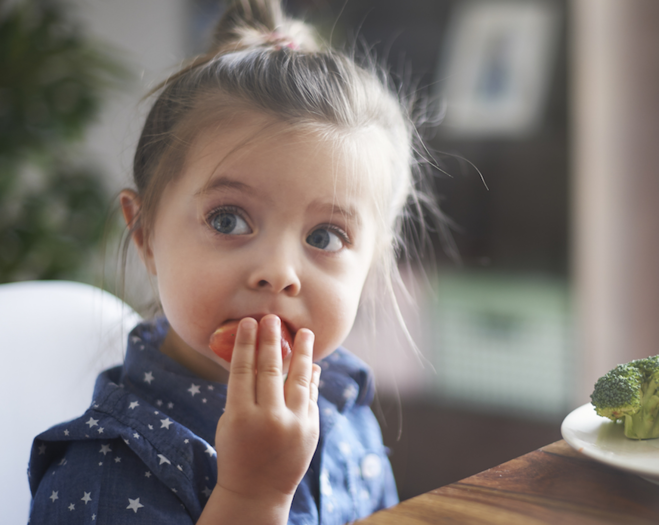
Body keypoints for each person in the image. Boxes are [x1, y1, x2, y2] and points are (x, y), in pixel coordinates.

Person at [28, 1, 446, 523]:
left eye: (325, 235)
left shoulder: (342, 401)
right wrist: (253, 497)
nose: (278, 271)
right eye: (228, 220)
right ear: (146, 234)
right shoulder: (104, 474)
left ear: (374, 260)